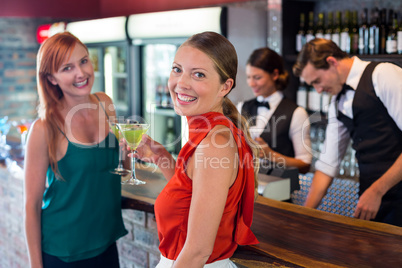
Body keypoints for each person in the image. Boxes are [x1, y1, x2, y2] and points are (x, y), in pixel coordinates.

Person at [134, 31, 260, 267]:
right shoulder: (208, 130)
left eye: (198, 74)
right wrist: (162, 157)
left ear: (225, 86)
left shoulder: (215, 143)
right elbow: (190, 198)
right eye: (177, 69)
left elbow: (198, 251)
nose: (181, 83)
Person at [24, 32, 128, 267]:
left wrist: (129, 152)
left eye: (83, 61)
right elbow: (31, 207)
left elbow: (119, 171)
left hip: (106, 245)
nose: (81, 73)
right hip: (63, 253)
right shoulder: (43, 128)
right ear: (51, 78)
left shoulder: (105, 103)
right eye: (67, 68)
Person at [293, 38, 402, 227]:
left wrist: (376, 190)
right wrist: (303, 216)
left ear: (331, 62)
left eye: (317, 81)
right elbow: (328, 164)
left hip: (388, 193)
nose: (318, 90)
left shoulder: (383, 74)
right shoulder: (337, 103)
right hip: (373, 200)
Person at [237, 47, 312, 174]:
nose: (251, 83)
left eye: (257, 77)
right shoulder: (241, 107)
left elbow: (305, 165)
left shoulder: (296, 113)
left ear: (275, 75)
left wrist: (271, 155)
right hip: (247, 187)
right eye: (249, 77)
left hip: (280, 189)